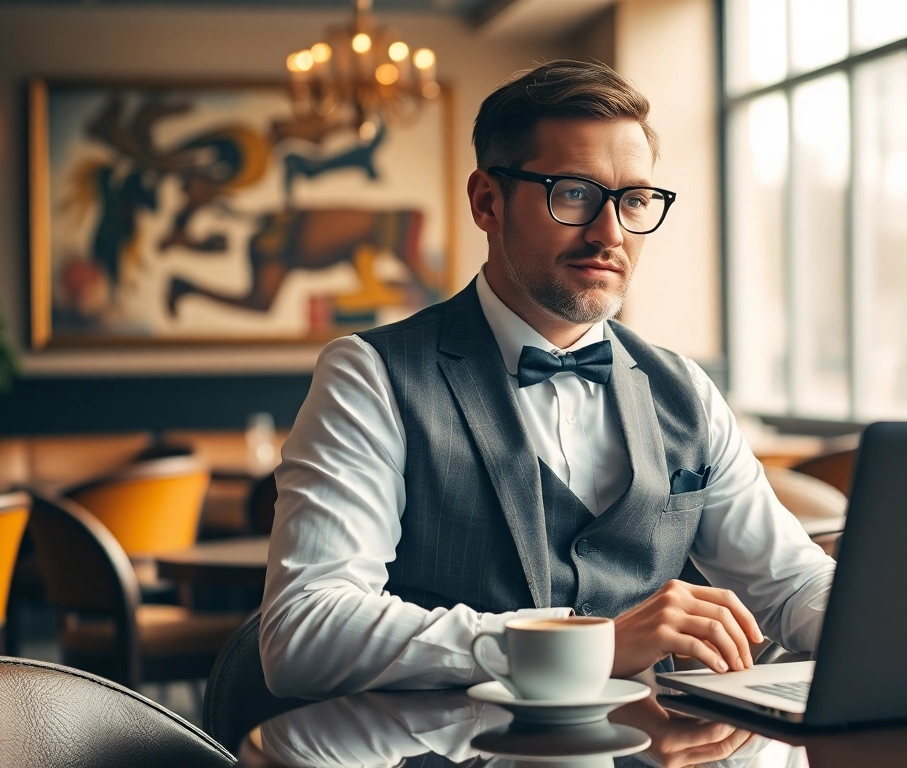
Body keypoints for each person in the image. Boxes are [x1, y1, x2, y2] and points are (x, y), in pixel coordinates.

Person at [260, 59, 836, 698]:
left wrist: (901, 624)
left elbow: (793, 585)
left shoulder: (687, 391)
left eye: (635, 199)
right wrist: (584, 645)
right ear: (487, 202)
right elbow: (303, 628)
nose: (610, 232)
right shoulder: (370, 375)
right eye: (573, 193)